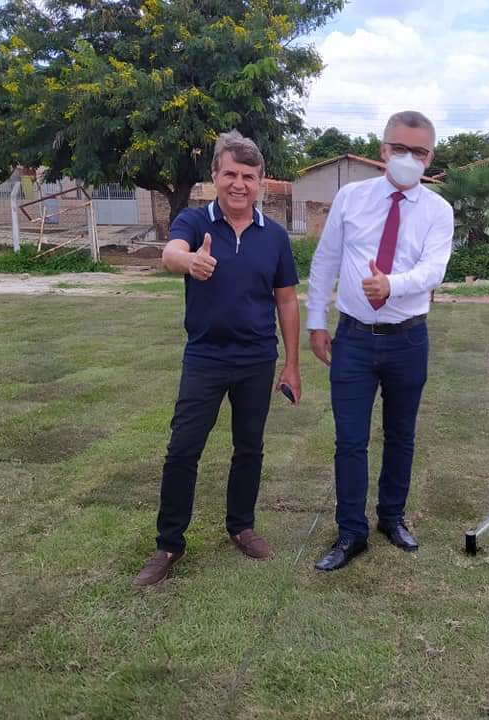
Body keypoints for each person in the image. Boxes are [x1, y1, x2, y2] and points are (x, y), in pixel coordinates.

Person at [133, 130, 301, 587]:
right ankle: (169, 544)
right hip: (205, 358)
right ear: (215, 176)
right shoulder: (193, 221)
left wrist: (291, 363)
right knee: (183, 449)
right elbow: (171, 253)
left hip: (256, 359)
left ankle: (241, 527)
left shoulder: (276, 237)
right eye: (231, 174)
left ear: (261, 182)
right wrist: (187, 263)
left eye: (249, 176)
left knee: (249, 448)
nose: (239, 184)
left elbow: (286, 300)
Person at [306, 111, 454, 571]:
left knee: (401, 435)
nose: (409, 158)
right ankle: (351, 532)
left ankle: (391, 517)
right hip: (352, 338)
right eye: (400, 148)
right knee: (349, 440)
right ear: (383, 149)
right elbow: (325, 262)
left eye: (420, 152)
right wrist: (316, 321)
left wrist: (393, 284)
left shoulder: (438, 210)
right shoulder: (352, 198)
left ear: (430, 157)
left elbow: (434, 269)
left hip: (408, 340)